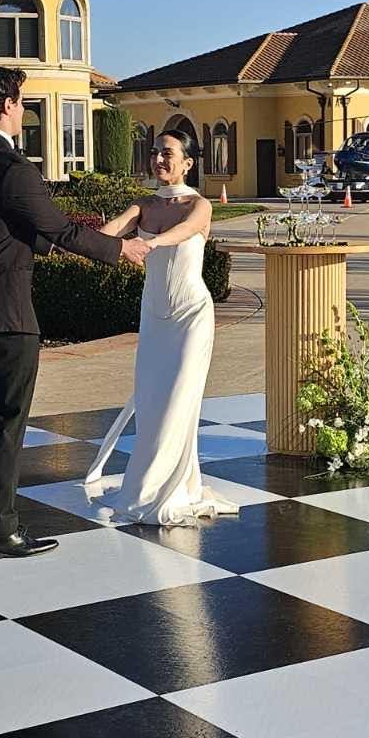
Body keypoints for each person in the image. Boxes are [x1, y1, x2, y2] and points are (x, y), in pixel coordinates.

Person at [0, 67, 150, 559]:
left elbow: (0, 225)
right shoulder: (12, 167)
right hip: (4, 314)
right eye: (21, 99)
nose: (24, 107)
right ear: (8, 105)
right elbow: (59, 229)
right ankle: (1, 533)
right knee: (6, 423)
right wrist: (121, 250)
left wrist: (47, 241)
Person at [84, 130, 238, 526]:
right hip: (153, 316)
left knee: (178, 401)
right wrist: (70, 240)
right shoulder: (142, 205)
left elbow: (184, 232)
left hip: (191, 316)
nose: (159, 160)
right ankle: (154, 482)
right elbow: (110, 233)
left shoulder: (200, 205)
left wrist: (149, 244)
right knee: (152, 404)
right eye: (155, 153)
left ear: (187, 162)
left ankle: (166, 489)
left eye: (167, 154)